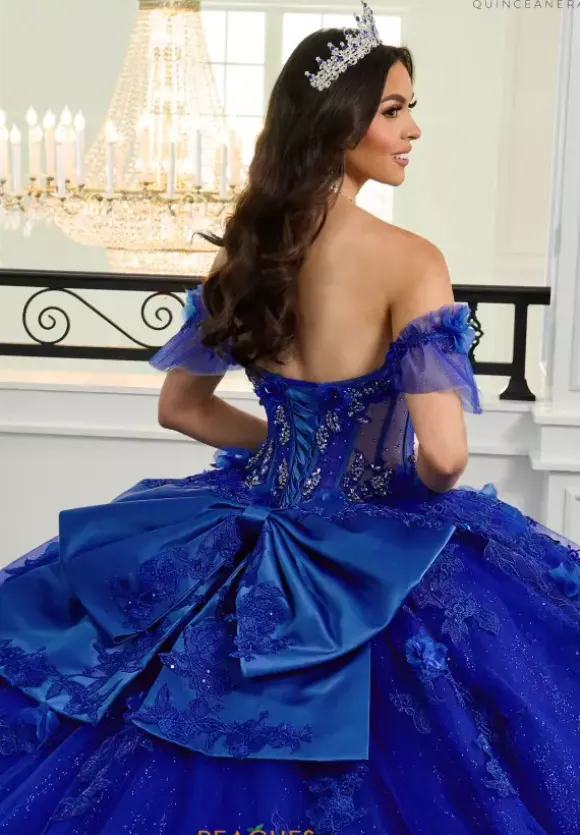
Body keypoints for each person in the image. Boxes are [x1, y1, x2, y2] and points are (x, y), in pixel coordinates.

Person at [1, 2, 579, 832]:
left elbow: (182, 406)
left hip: (248, 522)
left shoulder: (248, 250)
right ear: (339, 122)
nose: (413, 129)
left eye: (410, 108)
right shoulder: (411, 260)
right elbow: (446, 457)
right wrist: (392, 490)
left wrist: (285, 455)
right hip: (364, 538)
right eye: (393, 110)